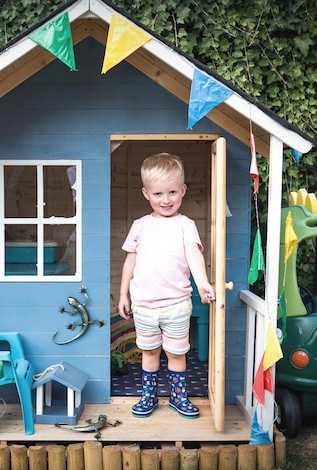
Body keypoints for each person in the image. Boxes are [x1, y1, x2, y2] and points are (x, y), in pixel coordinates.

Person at [118, 152, 216, 418]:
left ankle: (178, 397)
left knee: (176, 353)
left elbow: (194, 255)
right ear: (146, 193)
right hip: (144, 305)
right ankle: (148, 397)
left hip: (176, 305)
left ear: (183, 190)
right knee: (149, 352)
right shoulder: (140, 226)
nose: (166, 199)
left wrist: (204, 283)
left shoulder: (186, 225)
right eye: (159, 193)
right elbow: (130, 262)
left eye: (172, 192)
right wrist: (123, 294)